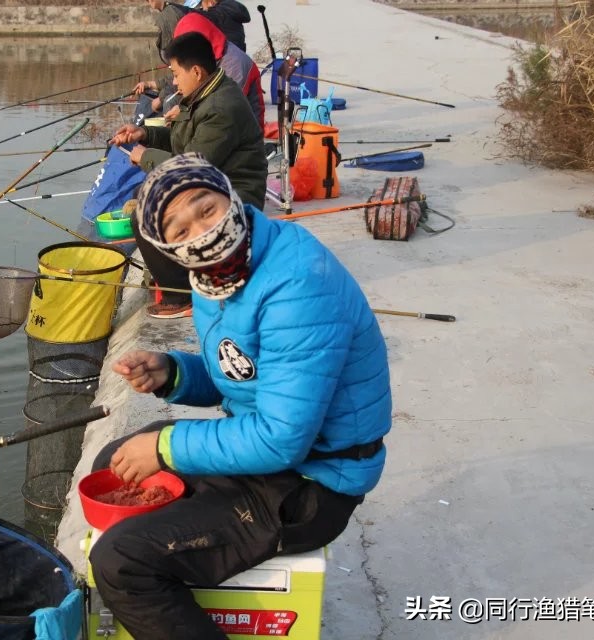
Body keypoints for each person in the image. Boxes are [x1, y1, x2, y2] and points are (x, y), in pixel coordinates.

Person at [88, 153, 392, 640]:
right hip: (274, 459)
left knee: (121, 562)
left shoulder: (297, 283)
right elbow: (239, 374)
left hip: (312, 483)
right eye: (178, 229)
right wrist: (171, 373)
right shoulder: (217, 275)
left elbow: (281, 440)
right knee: (114, 460)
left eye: (204, 209)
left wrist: (166, 446)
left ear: (228, 197)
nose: (199, 232)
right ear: (168, 246)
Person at [109, 32, 266, 318]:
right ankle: (180, 271)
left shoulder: (220, 107)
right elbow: (183, 141)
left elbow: (192, 166)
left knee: (145, 217)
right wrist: (144, 133)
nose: (175, 81)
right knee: (139, 194)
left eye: (176, 73)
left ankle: (181, 294)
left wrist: (145, 157)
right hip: (214, 185)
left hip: (236, 196)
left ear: (196, 71)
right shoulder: (204, 94)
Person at [173, 11, 265, 128]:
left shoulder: (234, 63)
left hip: (241, 133)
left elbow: (222, 108)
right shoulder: (211, 56)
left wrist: (185, 111)